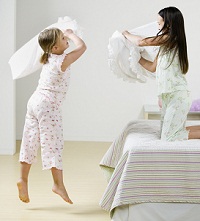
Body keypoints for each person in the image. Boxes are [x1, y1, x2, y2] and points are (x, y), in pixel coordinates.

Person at [17, 28, 86, 203]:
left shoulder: (48, 57)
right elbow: (82, 47)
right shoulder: (62, 60)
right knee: (53, 143)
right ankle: (58, 184)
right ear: (55, 47)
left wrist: (64, 35)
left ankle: (23, 179)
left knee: (29, 141)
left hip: (34, 102)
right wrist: (72, 35)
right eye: (63, 38)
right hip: (47, 106)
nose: (66, 39)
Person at [122, 6, 200, 141]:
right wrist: (136, 58)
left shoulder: (171, 38)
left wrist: (126, 34)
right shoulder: (165, 46)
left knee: (169, 136)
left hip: (177, 95)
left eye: (159, 23)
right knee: (169, 131)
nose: (157, 26)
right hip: (167, 95)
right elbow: (153, 67)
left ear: (169, 23)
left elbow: (141, 42)